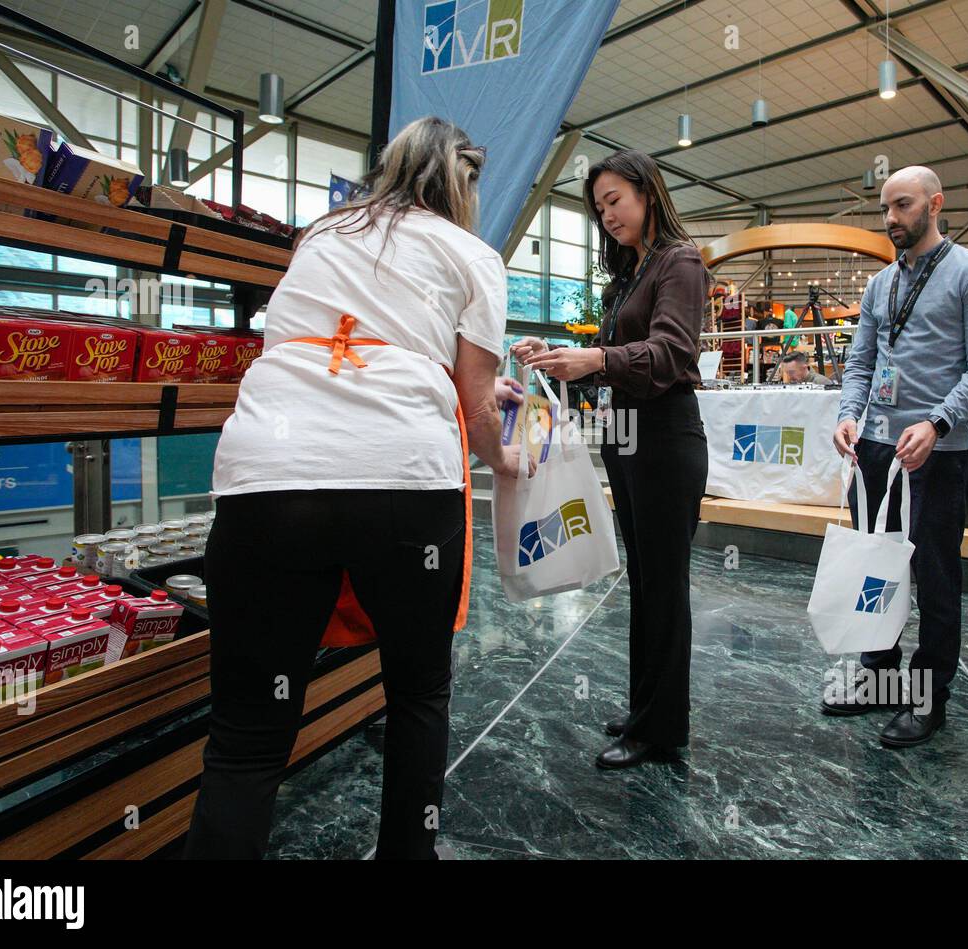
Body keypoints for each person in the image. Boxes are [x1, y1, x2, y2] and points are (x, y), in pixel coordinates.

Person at [185, 116, 526, 860]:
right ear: (462, 183)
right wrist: (506, 459)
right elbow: (475, 406)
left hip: (267, 477)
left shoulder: (321, 234)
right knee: (417, 693)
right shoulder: (472, 252)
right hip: (402, 475)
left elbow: (347, 335)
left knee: (246, 737)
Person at [511, 149, 710, 770]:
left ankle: (661, 727)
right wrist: (566, 355)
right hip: (629, 440)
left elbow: (670, 354)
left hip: (665, 440)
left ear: (648, 192)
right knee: (645, 584)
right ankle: (648, 707)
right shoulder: (629, 270)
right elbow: (617, 355)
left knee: (664, 586)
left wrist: (595, 360)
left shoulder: (680, 262)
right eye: (598, 208)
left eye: (615, 200)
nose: (607, 215)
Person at [830, 164, 968, 747]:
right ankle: (880, 675)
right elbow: (861, 362)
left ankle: (930, 698)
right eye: (885, 209)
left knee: (934, 576)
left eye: (901, 206)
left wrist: (937, 421)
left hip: (939, 452)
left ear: (934, 204)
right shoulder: (881, 284)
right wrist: (848, 415)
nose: (890, 220)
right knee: (877, 567)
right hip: (877, 448)